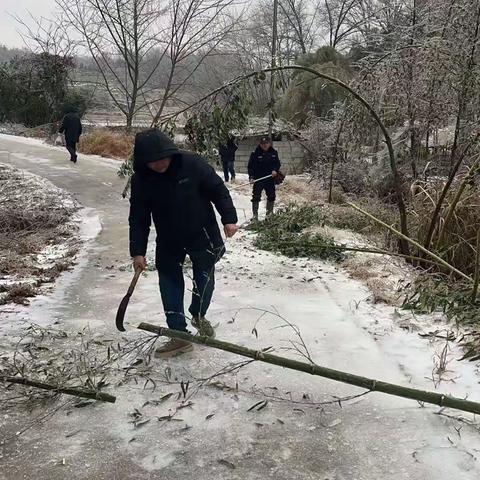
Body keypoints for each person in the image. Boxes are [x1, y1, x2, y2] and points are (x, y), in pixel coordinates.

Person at [129, 129, 238, 357]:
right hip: (169, 238)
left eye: (162, 159)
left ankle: (198, 314)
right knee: (168, 281)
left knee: (204, 279)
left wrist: (229, 219)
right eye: (152, 162)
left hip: (203, 233)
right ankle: (178, 334)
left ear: (171, 152)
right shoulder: (141, 179)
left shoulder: (192, 164)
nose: (159, 165)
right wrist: (137, 252)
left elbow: (218, 190)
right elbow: (138, 217)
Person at [248, 136, 281, 220]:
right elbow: (250, 166)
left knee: (271, 196)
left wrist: (275, 170)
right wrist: (251, 177)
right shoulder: (255, 153)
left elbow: (277, 163)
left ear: (269, 143)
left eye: (266, 143)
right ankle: (255, 216)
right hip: (258, 179)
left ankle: (269, 215)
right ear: (260, 144)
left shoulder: (274, 153)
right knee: (256, 196)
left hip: (270, 178)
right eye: (263, 144)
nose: (265, 145)